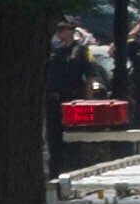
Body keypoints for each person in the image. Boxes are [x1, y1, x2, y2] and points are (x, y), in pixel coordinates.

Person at [40, 15, 103, 178]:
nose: (60, 32)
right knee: (54, 141)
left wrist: (90, 99)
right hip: (53, 101)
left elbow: (92, 77)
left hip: (73, 101)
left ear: (72, 30)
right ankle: (54, 177)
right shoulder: (52, 51)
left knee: (74, 141)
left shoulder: (81, 51)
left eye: (64, 29)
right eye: (58, 29)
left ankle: (74, 176)